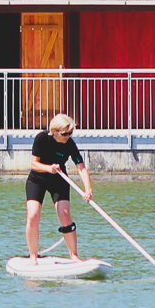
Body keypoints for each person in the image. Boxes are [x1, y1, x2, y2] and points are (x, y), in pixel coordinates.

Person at [25, 112, 91, 262]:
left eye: (71, 133)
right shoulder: (41, 138)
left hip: (59, 180)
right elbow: (33, 164)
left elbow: (81, 167)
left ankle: (74, 255)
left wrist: (88, 189)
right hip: (38, 179)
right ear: (54, 132)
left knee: (65, 215)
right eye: (65, 133)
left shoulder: (70, 144)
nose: (68, 136)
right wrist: (48, 168)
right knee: (33, 215)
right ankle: (33, 256)